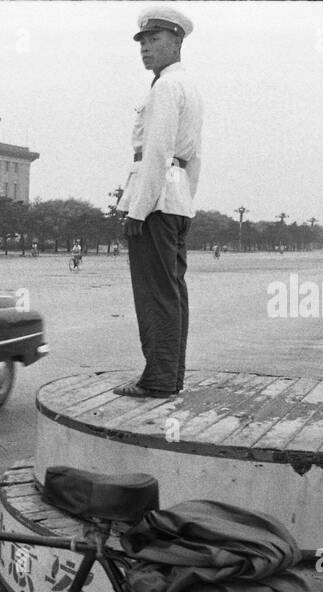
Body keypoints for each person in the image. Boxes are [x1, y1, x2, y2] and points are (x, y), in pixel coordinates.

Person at [114, 5, 203, 399]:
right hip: (175, 198)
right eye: (143, 42)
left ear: (177, 42)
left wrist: (139, 208)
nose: (146, 49)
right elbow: (192, 158)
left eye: (154, 40)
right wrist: (184, 199)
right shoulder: (189, 86)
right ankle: (171, 375)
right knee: (173, 293)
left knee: (155, 295)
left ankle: (158, 379)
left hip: (156, 203)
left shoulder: (166, 87)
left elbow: (157, 151)